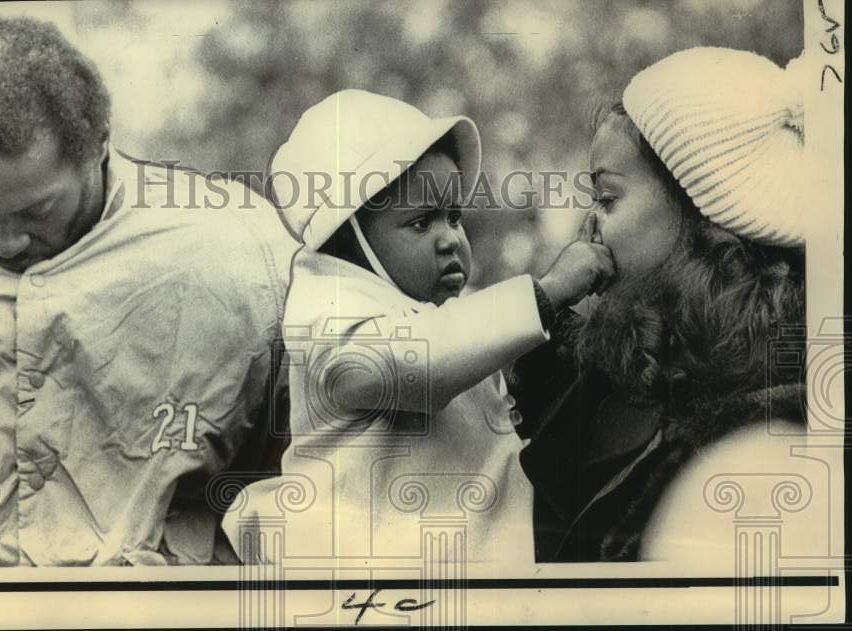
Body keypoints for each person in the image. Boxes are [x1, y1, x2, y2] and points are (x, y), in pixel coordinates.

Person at [0, 16, 297, 566]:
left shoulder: (245, 252)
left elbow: (305, 470)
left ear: (98, 144)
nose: (4, 242)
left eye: (37, 211)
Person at [221, 90, 614, 564]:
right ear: (349, 240)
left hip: (456, 553)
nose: (451, 238)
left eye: (454, 216)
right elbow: (421, 363)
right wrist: (547, 291)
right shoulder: (327, 318)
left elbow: (471, 348)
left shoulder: (440, 316)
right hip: (363, 568)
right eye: (421, 223)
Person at [514, 47, 815, 563]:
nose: (589, 227)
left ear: (698, 205)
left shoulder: (770, 396)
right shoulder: (644, 351)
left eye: (607, 199)